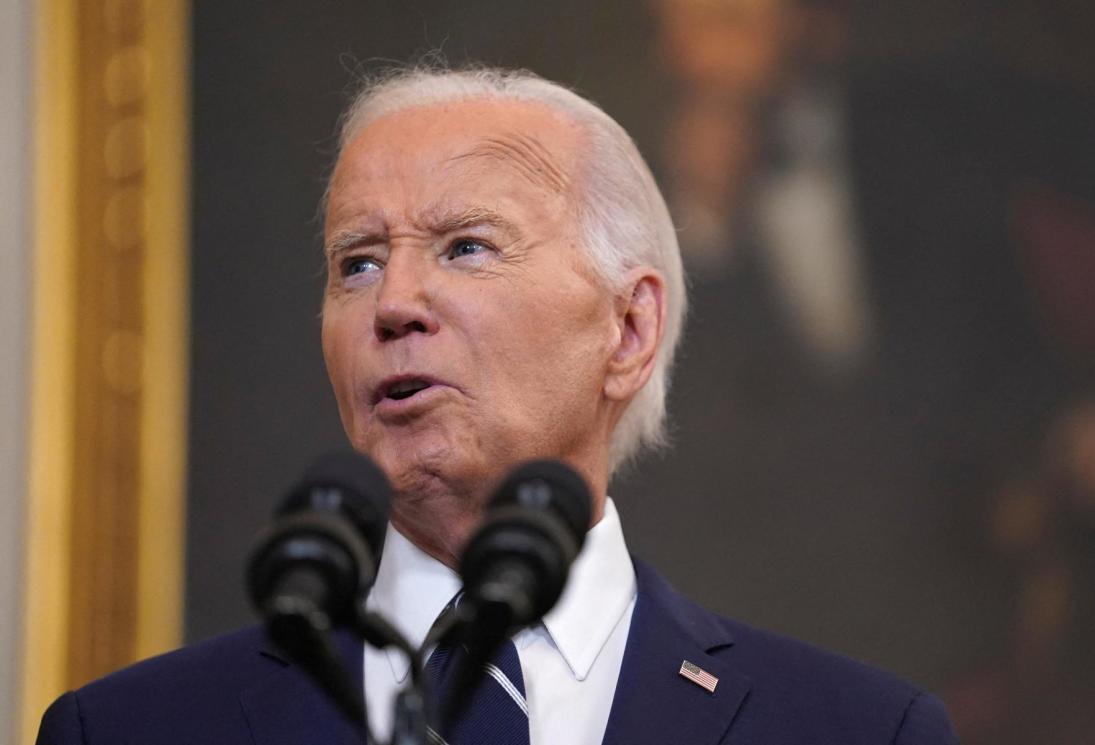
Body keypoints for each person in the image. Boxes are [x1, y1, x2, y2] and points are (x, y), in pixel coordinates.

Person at [36, 66, 958, 745]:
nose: (393, 302)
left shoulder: (863, 731)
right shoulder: (126, 728)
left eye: (466, 247)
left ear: (629, 330)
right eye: (357, 261)